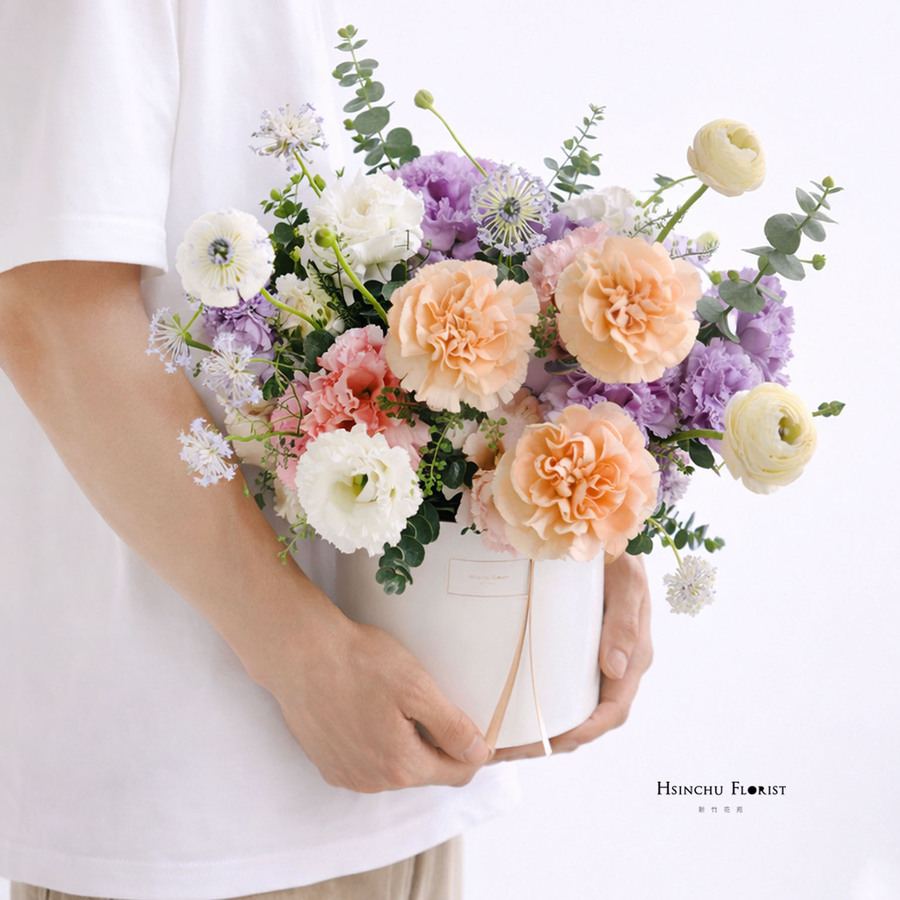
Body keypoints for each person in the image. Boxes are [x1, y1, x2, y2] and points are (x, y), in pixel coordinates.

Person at [0, 2, 653, 898]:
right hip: (202, 805)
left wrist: (585, 533)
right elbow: (52, 314)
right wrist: (299, 653)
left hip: (407, 765)